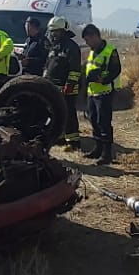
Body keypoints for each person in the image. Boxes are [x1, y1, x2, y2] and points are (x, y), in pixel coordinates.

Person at [80, 24, 120, 165]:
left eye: (87, 39)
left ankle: (106, 154)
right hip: (92, 93)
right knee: (94, 121)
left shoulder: (110, 51)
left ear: (95, 36)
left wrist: (100, 78)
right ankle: (97, 149)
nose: (86, 43)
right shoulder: (92, 51)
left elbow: (115, 70)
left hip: (105, 92)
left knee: (104, 123)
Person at [43, 16, 83, 146]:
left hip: (67, 87)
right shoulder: (54, 46)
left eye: (56, 31)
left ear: (63, 31)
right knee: (55, 112)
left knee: (69, 112)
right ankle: (59, 136)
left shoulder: (71, 47)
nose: (53, 34)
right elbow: (48, 65)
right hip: (52, 86)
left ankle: (73, 141)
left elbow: (75, 69)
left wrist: (69, 85)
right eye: (52, 31)